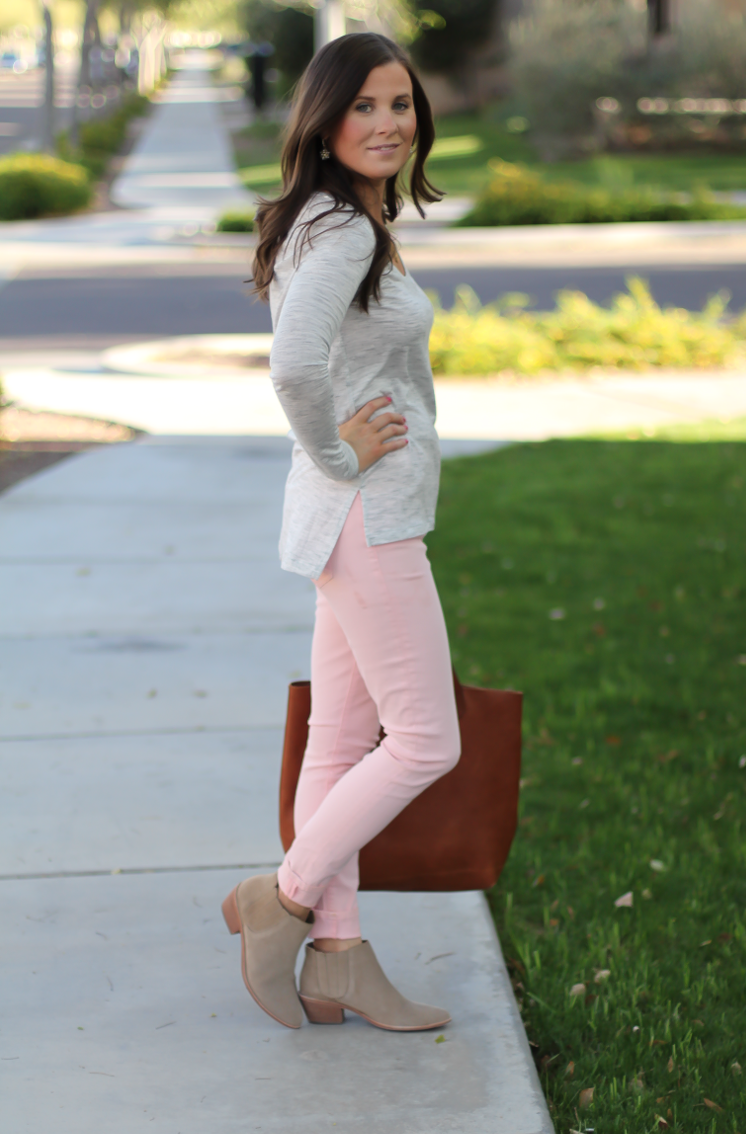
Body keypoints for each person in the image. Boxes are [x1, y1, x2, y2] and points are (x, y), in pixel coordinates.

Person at [221, 32, 461, 1033]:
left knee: (337, 743)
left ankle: (340, 955)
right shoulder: (346, 232)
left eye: (399, 105)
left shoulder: (325, 219)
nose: (386, 124)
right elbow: (291, 368)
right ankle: (283, 901)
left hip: (341, 521)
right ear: (323, 117)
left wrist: (337, 466)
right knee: (424, 741)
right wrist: (340, 454)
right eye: (363, 106)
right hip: (366, 515)